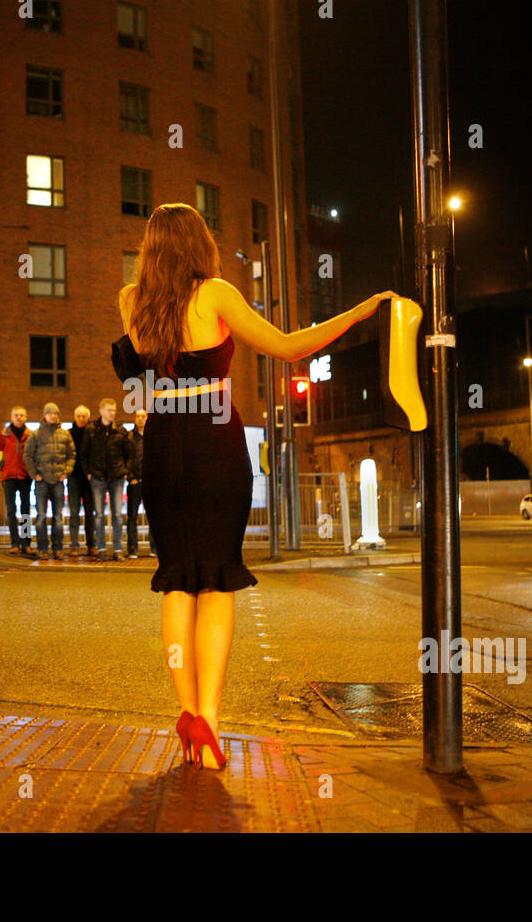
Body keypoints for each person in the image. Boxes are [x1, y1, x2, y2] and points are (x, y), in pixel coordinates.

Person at [113, 202, 396, 770]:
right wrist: (359, 313)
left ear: (151, 247)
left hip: (164, 443)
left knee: (175, 580)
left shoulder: (130, 299)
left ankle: (187, 711)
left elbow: (140, 381)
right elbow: (290, 346)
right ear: (198, 244)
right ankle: (210, 722)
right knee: (216, 580)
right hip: (215, 437)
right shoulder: (215, 292)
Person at [79, 398, 134, 561]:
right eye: (109, 410)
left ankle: (118, 549)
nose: (113, 413)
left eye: (114, 410)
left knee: (117, 515)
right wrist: (88, 473)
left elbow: (130, 454)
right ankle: (101, 548)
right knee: (99, 515)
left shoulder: (121, 431)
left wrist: (125, 470)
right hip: (97, 477)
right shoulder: (91, 430)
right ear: (101, 411)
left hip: (116, 477)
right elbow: (83, 454)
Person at [22, 402, 76, 560]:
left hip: (58, 481)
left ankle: (57, 549)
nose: (53, 415)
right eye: (50, 413)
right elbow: (27, 455)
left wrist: (66, 472)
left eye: (55, 413)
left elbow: (71, 454)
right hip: (41, 481)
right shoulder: (36, 434)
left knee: (58, 518)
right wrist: (35, 474)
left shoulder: (65, 435)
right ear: (44, 415)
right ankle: (42, 548)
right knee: (41, 517)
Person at [0, 406, 35, 557]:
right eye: (16, 415)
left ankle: (26, 543)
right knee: (11, 511)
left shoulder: (30, 435)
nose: (19, 417)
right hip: (9, 477)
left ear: (26, 417)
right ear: (11, 417)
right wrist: (2, 470)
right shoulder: (3, 435)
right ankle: (14, 543)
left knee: (25, 511)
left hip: (25, 477)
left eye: (22, 415)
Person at [65, 405, 96, 555]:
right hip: (74, 477)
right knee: (74, 512)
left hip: (89, 478)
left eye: (84, 416)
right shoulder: (68, 434)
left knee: (90, 512)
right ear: (74, 417)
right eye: (79, 416)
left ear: (88, 417)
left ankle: (92, 544)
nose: (81, 418)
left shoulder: (93, 433)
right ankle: (74, 545)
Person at [124, 408, 148, 559]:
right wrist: (130, 476)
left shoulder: (153, 436)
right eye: (138, 416)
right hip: (135, 482)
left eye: (143, 416)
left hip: (151, 483)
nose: (140, 419)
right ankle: (133, 549)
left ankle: (155, 548)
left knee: (155, 517)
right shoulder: (130, 437)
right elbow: (126, 458)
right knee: (132, 517)